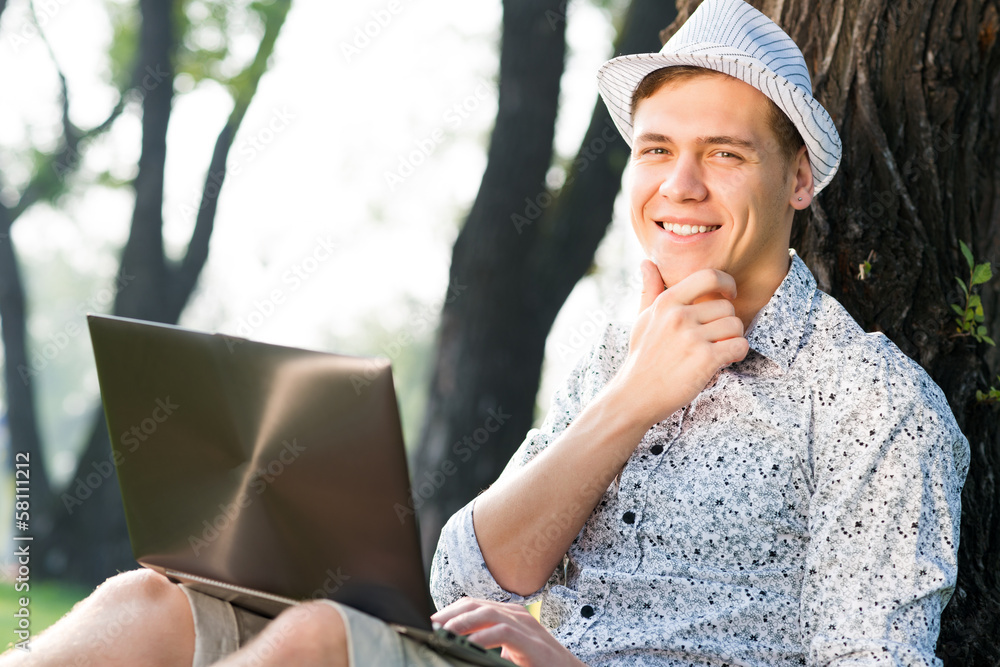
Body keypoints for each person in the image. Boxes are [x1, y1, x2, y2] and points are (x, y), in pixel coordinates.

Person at [2, 0, 968, 665]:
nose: (679, 186)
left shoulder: (877, 410)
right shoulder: (610, 351)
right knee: (146, 605)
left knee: (313, 643)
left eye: (724, 154)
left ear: (797, 179)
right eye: (656, 151)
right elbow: (464, 572)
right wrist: (631, 399)